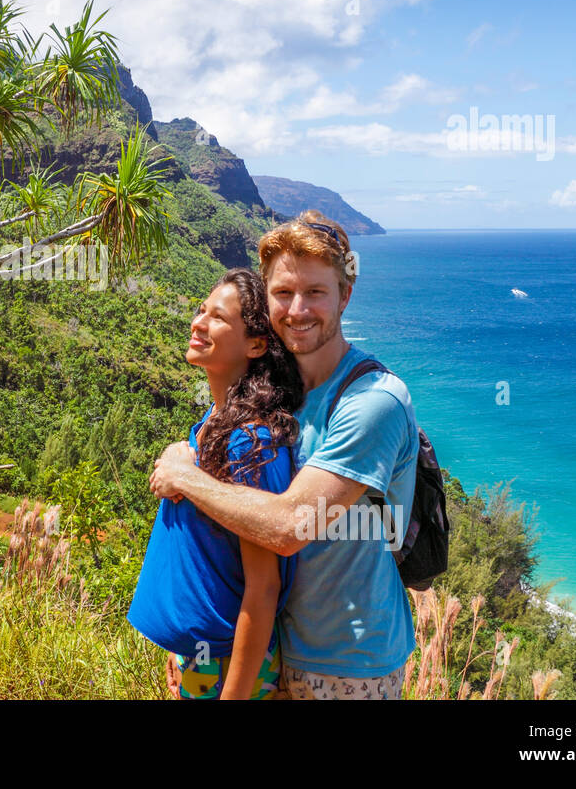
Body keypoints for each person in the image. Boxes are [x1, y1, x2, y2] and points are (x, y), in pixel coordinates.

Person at [149, 211, 420, 699]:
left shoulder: (373, 401)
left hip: (347, 663)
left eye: (316, 292)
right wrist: (198, 647)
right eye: (283, 293)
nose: (298, 309)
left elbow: (287, 527)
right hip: (277, 652)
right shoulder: (280, 396)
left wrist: (184, 476)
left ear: (345, 295)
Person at [127, 268, 304, 699]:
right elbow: (202, 558)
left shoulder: (251, 443)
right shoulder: (213, 424)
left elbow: (263, 589)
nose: (198, 322)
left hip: (232, 667)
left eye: (218, 318)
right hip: (205, 658)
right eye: (200, 310)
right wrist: (183, 649)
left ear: (256, 344)